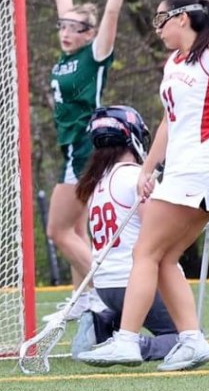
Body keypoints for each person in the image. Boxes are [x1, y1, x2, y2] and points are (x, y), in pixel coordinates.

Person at [78, 0, 209, 371]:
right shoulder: (173, 63)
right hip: (184, 172)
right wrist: (148, 169)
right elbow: (169, 121)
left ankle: (127, 341)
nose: (157, 29)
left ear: (182, 18)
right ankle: (192, 340)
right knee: (164, 258)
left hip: (200, 170)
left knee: (144, 253)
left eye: (161, 20)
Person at [42, 0, 139, 318]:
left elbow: (112, 11)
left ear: (90, 33)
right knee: (76, 230)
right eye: (63, 26)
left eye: (75, 28)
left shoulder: (94, 55)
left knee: (58, 231)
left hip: (85, 145)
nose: (66, 32)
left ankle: (106, 287)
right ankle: (84, 301)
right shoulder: (66, 56)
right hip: (72, 146)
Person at [68, 106, 179, 362]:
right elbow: (157, 234)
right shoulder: (136, 177)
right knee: (188, 336)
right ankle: (134, 344)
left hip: (106, 287)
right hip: (136, 282)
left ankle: (104, 324)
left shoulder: (97, 182)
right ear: (133, 137)